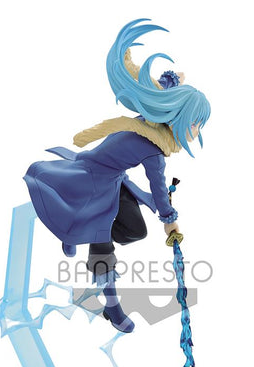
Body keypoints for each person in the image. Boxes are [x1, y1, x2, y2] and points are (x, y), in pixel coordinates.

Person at [23, 19, 211, 333]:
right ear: (180, 117)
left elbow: (162, 92)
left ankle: (75, 232)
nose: (197, 130)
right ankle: (111, 306)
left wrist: (171, 80)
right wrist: (169, 219)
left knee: (134, 230)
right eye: (196, 123)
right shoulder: (154, 149)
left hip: (114, 179)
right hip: (94, 179)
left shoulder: (156, 119)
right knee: (103, 240)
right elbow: (157, 188)